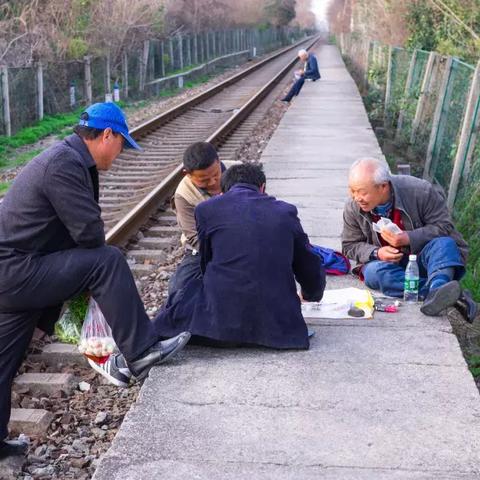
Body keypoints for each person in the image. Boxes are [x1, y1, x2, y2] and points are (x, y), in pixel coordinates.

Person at [0, 103, 190, 460]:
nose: (120, 154)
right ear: (107, 135)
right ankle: (141, 351)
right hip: (19, 271)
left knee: (2, 364)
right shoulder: (64, 164)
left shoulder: (69, 159)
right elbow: (89, 234)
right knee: (107, 261)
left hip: (13, 272)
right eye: (122, 145)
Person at [155, 163, 326, 349]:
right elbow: (308, 263)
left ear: (223, 190)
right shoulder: (286, 212)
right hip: (278, 329)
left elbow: (206, 261)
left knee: (179, 298)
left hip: (219, 328)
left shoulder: (206, 210)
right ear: (262, 188)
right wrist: (312, 294)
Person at [342, 158, 476, 322]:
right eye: (352, 191)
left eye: (362, 192)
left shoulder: (420, 191)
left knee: (445, 244)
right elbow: (349, 245)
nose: (357, 198)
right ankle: (441, 292)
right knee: (372, 273)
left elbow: (444, 226)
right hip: (391, 266)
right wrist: (377, 252)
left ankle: (439, 288)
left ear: (383, 186)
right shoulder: (353, 207)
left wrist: (408, 238)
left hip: (423, 259)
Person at [168, 142, 223, 296]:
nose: (213, 182)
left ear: (219, 162)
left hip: (244, 239)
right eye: (204, 180)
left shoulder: (237, 171)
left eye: (216, 175)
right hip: (203, 249)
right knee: (178, 289)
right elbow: (193, 237)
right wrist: (224, 253)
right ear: (187, 174)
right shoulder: (183, 195)